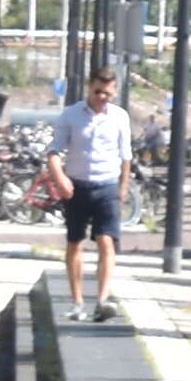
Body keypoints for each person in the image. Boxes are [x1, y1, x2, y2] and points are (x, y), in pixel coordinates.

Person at [46, 71, 135, 322]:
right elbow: (54, 150)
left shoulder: (119, 117)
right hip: (77, 186)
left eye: (107, 93)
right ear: (89, 88)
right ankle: (77, 302)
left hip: (106, 185)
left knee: (107, 242)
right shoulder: (71, 115)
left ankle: (103, 300)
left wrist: (123, 185)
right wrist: (60, 177)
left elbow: (125, 155)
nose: (102, 97)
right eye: (97, 92)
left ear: (114, 92)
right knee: (75, 242)